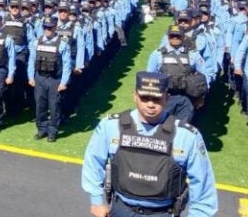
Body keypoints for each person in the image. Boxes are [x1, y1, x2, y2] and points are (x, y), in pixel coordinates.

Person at [81, 71, 218, 217]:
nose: (150, 104)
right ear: (135, 96)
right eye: (144, 98)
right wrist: (96, 200)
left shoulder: (187, 136)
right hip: (121, 209)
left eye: (157, 99)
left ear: (167, 98)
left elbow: (203, 184)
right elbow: (93, 162)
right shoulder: (111, 126)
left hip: (163, 213)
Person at [27, 17, 71, 142]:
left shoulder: (62, 44)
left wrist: (64, 83)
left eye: (50, 28)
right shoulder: (36, 42)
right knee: (40, 105)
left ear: (55, 27)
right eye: (45, 27)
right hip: (39, 78)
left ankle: (52, 131)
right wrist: (31, 77)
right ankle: (42, 129)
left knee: (54, 107)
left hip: (54, 80)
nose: (47, 30)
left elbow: (67, 65)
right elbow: (31, 61)